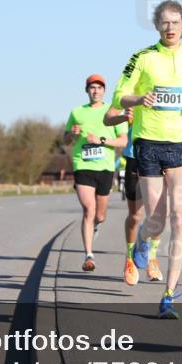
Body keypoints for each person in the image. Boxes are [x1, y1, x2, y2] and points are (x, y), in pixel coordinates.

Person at [114, 0, 182, 318]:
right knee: (156, 219)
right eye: (164, 22)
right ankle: (143, 241)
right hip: (149, 143)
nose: (170, 27)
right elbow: (118, 96)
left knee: (179, 219)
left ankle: (168, 295)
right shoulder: (142, 58)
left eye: (176, 22)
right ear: (157, 26)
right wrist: (139, 98)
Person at [64, 74, 128, 272]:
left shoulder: (113, 112)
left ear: (104, 91)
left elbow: (123, 141)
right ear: (87, 91)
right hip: (82, 164)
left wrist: (100, 141)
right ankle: (89, 255)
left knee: (100, 215)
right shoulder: (76, 112)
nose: (95, 91)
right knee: (88, 210)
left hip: (105, 167)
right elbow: (66, 140)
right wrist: (71, 134)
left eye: (99, 88)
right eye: (92, 87)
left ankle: (96, 226)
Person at [104, 104, 167, 286]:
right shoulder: (131, 95)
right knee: (136, 216)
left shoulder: (166, 90)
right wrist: (124, 116)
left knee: (158, 214)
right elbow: (107, 119)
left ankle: (152, 258)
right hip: (134, 156)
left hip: (160, 156)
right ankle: (130, 258)